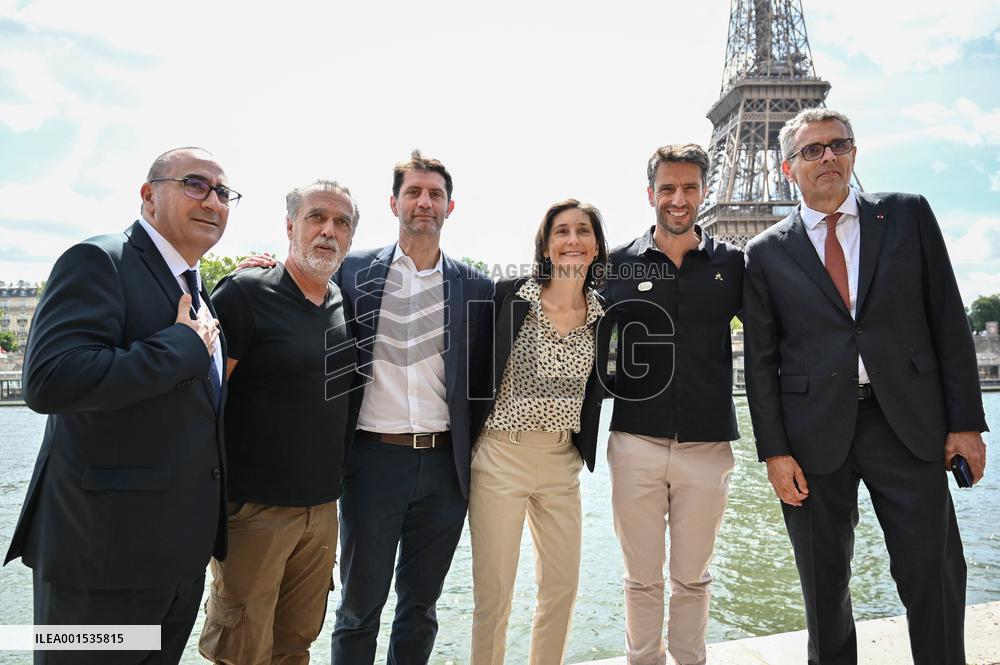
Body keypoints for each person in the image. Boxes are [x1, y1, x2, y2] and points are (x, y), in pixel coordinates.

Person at [743, 107, 988, 665]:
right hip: (811, 436)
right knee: (823, 586)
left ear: (854, 152)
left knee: (933, 573)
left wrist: (966, 424)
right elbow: (761, 363)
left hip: (906, 423)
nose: (828, 156)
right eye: (812, 149)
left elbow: (948, 320)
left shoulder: (907, 214)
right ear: (788, 168)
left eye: (839, 144)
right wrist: (775, 452)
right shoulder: (764, 252)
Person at [4, 147, 235, 664]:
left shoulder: (198, 290)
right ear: (149, 196)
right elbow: (49, 380)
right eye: (195, 184)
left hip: (174, 565)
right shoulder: (99, 260)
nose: (213, 201)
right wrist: (180, 348)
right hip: (101, 565)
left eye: (224, 192)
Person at [331, 151, 493, 664]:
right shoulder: (350, 272)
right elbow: (298, 287)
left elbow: (487, 378)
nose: (425, 202)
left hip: (446, 469)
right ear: (393, 203)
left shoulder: (477, 286)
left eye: (435, 194)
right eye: (414, 192)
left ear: (450, 206)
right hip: (371, 463)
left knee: (420, 608)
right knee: (359, 608)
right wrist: (262, 265)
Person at [198, 180, 359, 664]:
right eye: (316, 217)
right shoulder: (245, 293)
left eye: (342, 222)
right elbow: (205, 400)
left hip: (322, 512)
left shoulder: (341, 301)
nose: (329, 231)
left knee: (296, 644)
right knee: (240, 649)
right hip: (254, 512)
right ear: (290, 226)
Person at [598, 144, 743, 665]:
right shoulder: (616, 265)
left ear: (704, 191)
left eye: (689, 188)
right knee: (641, 579)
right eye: (668, 188)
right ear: (650, 194)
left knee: (692, 577)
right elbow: (578, 335)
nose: (678, 199)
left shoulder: (733, 264)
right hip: (635, 441)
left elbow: (776, 340)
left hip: (707, 446)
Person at [469, 199, 608, 665]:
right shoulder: (508, 297)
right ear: (546, 246)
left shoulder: (602, 314)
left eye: (583, 231)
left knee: (562, 587)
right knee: (495, 594)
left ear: (596, 247)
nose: (573, 240)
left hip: (561, 462)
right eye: (561, 231)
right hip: (499, 457)